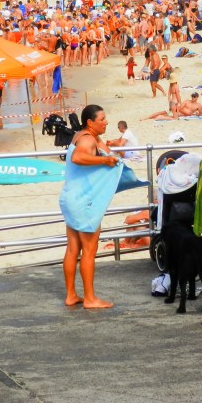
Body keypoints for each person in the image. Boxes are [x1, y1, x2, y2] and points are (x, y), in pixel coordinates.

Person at [59, 104, 123, 309]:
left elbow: (109, 153)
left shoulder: (84, 136)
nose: (106, 122)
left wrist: (107, 155)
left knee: (73, 248)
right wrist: (104, 161)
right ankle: (90, 298)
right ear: (90, 122)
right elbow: (78, 157)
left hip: (70, 198)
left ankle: (71, 295)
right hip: (83, 202)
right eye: (102, 119)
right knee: (89, 250)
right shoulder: (87, 140)